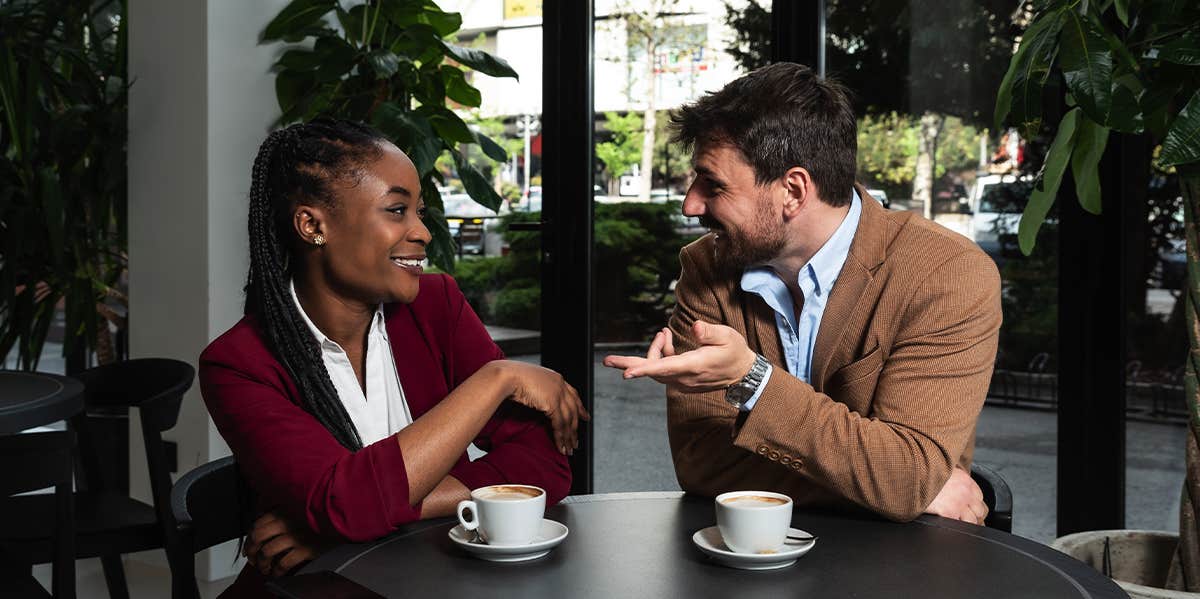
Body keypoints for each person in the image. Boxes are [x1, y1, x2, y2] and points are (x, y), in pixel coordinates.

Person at [199, 119, 588, 596]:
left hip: (434, 578)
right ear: (312, 225)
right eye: (397, 210)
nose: (422, 232)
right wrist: (497, 377)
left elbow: (547, 465)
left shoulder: (435, 306)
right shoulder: (239, 364)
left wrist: (345, 521)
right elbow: (345, 504)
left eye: (419, 211)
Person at [604, 63, 1001, 525]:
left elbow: (907, 475)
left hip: (900, 566)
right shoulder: (707, 267)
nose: (691, 204)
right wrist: (892, 488)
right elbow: (701, 464)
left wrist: (752, 381)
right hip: (745, 559)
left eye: (713, 184)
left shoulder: (947, 274)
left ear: (793, 190)